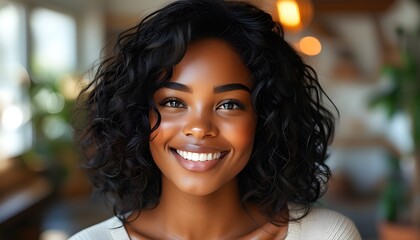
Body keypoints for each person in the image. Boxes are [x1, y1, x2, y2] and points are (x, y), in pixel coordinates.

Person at [70, 0, 361, 239]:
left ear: (265, 119)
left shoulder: (328, 235)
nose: (199, 127)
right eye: (173, 102)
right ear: (137, 117)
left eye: (229, 104)